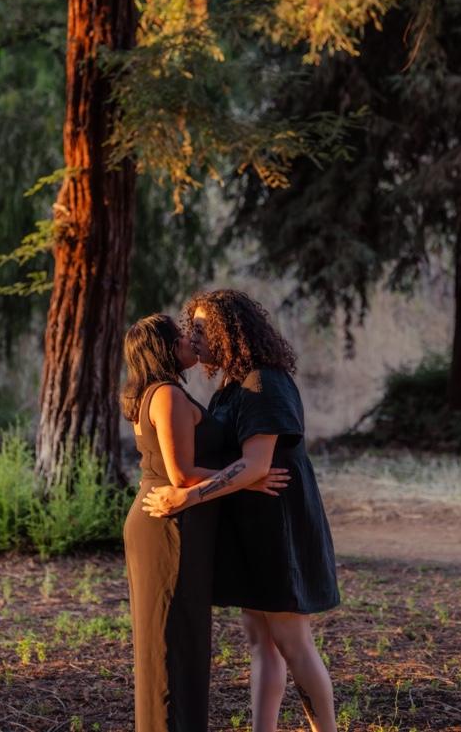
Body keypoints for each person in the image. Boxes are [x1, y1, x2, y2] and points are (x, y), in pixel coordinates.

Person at [142, 290, 339, 732]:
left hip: (279, 527)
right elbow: (242, 467)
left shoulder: (264, 383)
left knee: (291, 641)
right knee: (260, 640)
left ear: (230, 331)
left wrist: (187, 497)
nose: (193, 337)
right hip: (250, 526)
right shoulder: (232, 385)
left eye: (201, 328)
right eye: (191, 328)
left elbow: (257, 465)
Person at [121, 313, 289, 732]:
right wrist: (248, 478)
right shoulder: (167, 396)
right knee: (171, 641)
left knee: (180, 637)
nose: (189, 341)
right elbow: (180, 476)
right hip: (170, 525)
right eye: (180, 336)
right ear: (163, 348)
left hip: (174, 520)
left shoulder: (162, 392)